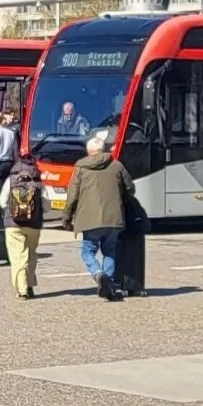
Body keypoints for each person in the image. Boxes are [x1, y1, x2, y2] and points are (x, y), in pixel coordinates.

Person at [62, 128, 132, 301]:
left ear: (89, 151)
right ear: (104, 149)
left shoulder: (80, 168)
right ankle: (107, 282)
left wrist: (66, 217)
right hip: (113, 218)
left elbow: (72, 195)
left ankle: (99, 274)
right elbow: (130, 187)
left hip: (89, 219)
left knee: (87, 251)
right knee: (110, 251)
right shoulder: (116, 165)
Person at [0, 152, 48, 298]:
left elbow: (2, 201)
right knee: (31, 255)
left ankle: (22, 289)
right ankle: (30, 285)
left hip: (13, 224)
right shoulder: (38, 182)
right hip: (34, 224)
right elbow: (47, 205)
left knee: (18, 256)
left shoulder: (11, 180)